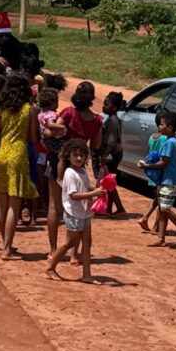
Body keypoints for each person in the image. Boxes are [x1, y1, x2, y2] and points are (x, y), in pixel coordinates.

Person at [0, 72, 39, 260]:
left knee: (1, 203)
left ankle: (4, 244)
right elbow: (33, 138)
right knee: (14, 205)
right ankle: (8, 248)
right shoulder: (29, 109)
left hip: (0, 154)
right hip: (18, 155)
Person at [45, 139, 103, 283]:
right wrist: (93, 194)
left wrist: (97, 191)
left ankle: (87, 275)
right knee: (70, 242)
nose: (79, 158)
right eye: (75, 155)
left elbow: (84, 189)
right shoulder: (70, 173)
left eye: (82, 155)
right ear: (68, 156)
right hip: (74, 213)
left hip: (84, 212)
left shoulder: (82, 171)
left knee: (87, 242)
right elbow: (74, 195)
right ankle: (51, 267)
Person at [138, 111, 176, 248]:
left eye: (162, 125)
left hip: (170, 180)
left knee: (165, 209)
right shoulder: (172, 141)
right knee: (162, 208)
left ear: (170, 127)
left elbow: (163, 163)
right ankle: (161, 238)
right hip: (168, 179)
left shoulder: (168, 143)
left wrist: (147, 165)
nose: (160, 127)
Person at [39, 87, 70, 255]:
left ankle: (53, 248)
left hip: (49, 147)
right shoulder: (50, 115)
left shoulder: (40, 113)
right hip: (55, 145)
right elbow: (50, 128)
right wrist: (60, 125)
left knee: (53, 204)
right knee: (61, 156)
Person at [138, 112, 168, 233]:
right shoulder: (165, 139)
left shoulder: (152, 137)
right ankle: (154, 224)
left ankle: (148, 219)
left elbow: (148, 151)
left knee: (158, 197)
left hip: (151, 170)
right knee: (161, 199)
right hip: (160, 171)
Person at [102, 92, 127, 216]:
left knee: (109, 182)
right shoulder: (117, 119)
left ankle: (120, 208)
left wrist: (104, 155)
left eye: (107, 104)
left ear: (115, 107)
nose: (103, 107)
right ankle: (109, 209)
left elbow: (110, 140)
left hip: (112, 153)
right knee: (110, 181)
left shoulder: (111, 121)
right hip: (117, 152)